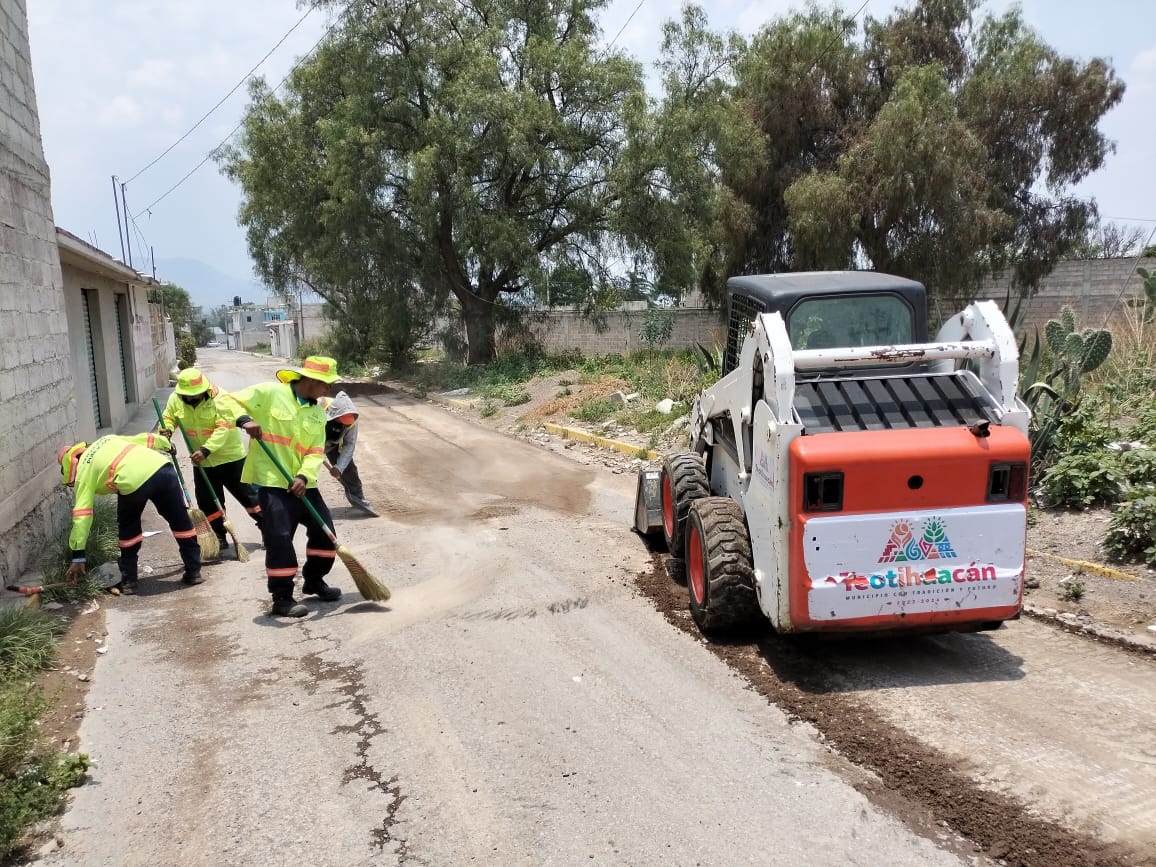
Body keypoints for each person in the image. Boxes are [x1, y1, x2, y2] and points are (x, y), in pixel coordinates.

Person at [217, 356, 343, 618]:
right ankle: (282, 597)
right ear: (311, 380)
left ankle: (314, 580)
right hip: (272, 482)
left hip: (303, 485)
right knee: (280, 540)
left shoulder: (318, 413)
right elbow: (224, 400)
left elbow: (315, 451)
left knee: (325, 534)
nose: (328, 390)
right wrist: (243, 420)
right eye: (326, 384)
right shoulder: (270, 392)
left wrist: (304, 477)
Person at [57, 433, 202, 594]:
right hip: (162, 468)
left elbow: (82, 516)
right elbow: (143, 438)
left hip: (132, 482)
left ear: (70, 468)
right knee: (180, 521)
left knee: (129, 528)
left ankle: (129, 581)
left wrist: (78, 556)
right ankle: (194, 571)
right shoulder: (106, 440)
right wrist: (166, 444)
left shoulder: (83, 470)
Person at [160, 368, 263, 551]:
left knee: (249, 497)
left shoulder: (220, 397)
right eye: (187, 396)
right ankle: (218, 537)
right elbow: (169, 417)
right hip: (202, 463)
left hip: (230, 458)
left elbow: (223, 427)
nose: (191, 399)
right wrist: (167, 428)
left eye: (195, 395)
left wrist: (206, 449)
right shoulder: (176, 398)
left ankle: (269, 529)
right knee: (207, 503)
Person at [318, 390, 376, 514]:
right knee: (303, 473)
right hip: (309, 441)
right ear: (334, 415)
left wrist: (339, 467)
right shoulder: (318, 406)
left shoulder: (352, 420)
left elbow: (349, 445)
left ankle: (357, 497)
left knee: (348, 469)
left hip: (333, 443)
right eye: (341, 421)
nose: (344, 424)